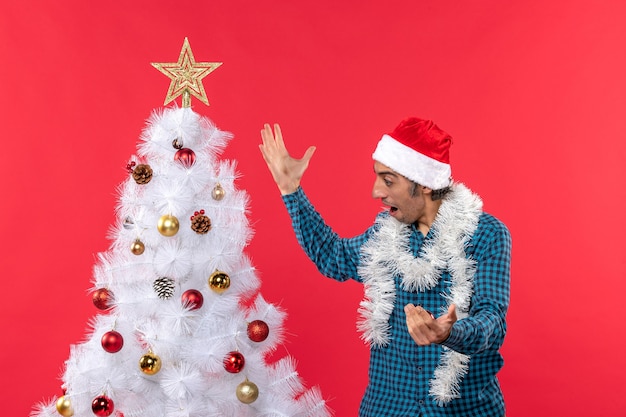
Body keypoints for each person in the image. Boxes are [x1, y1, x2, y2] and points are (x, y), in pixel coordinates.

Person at [259, 117, 511, 417]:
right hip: (387, 409)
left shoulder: (486, 234)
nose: (376, 192)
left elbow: (492, 322)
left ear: (425, 185)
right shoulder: (384, 235)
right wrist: (291, 190)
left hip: (464, 410)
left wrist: (449, 333)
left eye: (388, 180)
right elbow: (333, 256)